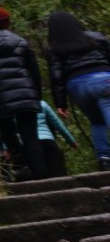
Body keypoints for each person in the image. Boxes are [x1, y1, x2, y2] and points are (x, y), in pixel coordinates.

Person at [0, 6, 50, 178]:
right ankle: (41, 174)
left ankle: (21, 168)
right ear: (7, 23)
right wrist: (36, 95)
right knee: (30, 136)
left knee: (8, 133)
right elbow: (34, 71)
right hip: (26, 93)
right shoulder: (21, 41)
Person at [47, 9, 110, 170]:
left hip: (76, 87)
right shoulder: (96, 37)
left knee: (97, 121)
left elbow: (56, 76)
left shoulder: (55, 48)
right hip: (103, 78)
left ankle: (104, 158)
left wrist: (61, 103)